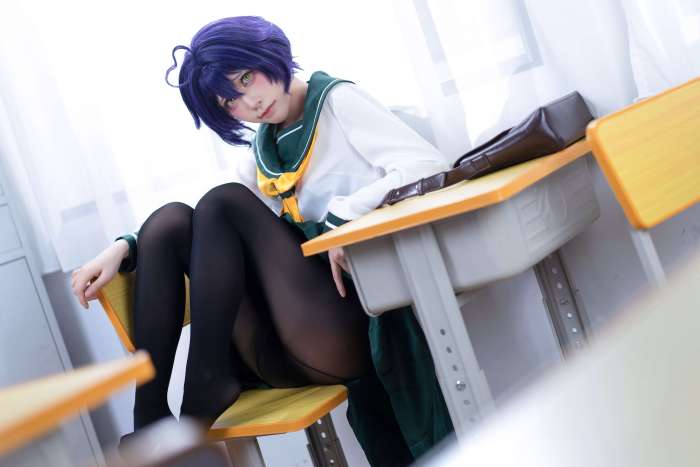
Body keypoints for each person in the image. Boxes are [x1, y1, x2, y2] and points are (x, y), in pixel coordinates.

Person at [72, 16, 452, 465]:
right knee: (171, 221)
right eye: (229, 101)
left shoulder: (336, 102)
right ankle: (151, 420)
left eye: (246, 78)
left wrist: (346, 217)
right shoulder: (265, 146)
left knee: (223, 203)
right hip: (287, 348)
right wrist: (124, 248)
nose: (249, 102)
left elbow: (428, 165)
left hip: (356, 327)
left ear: (266, 52)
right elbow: (206, 231)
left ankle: (204, 385)